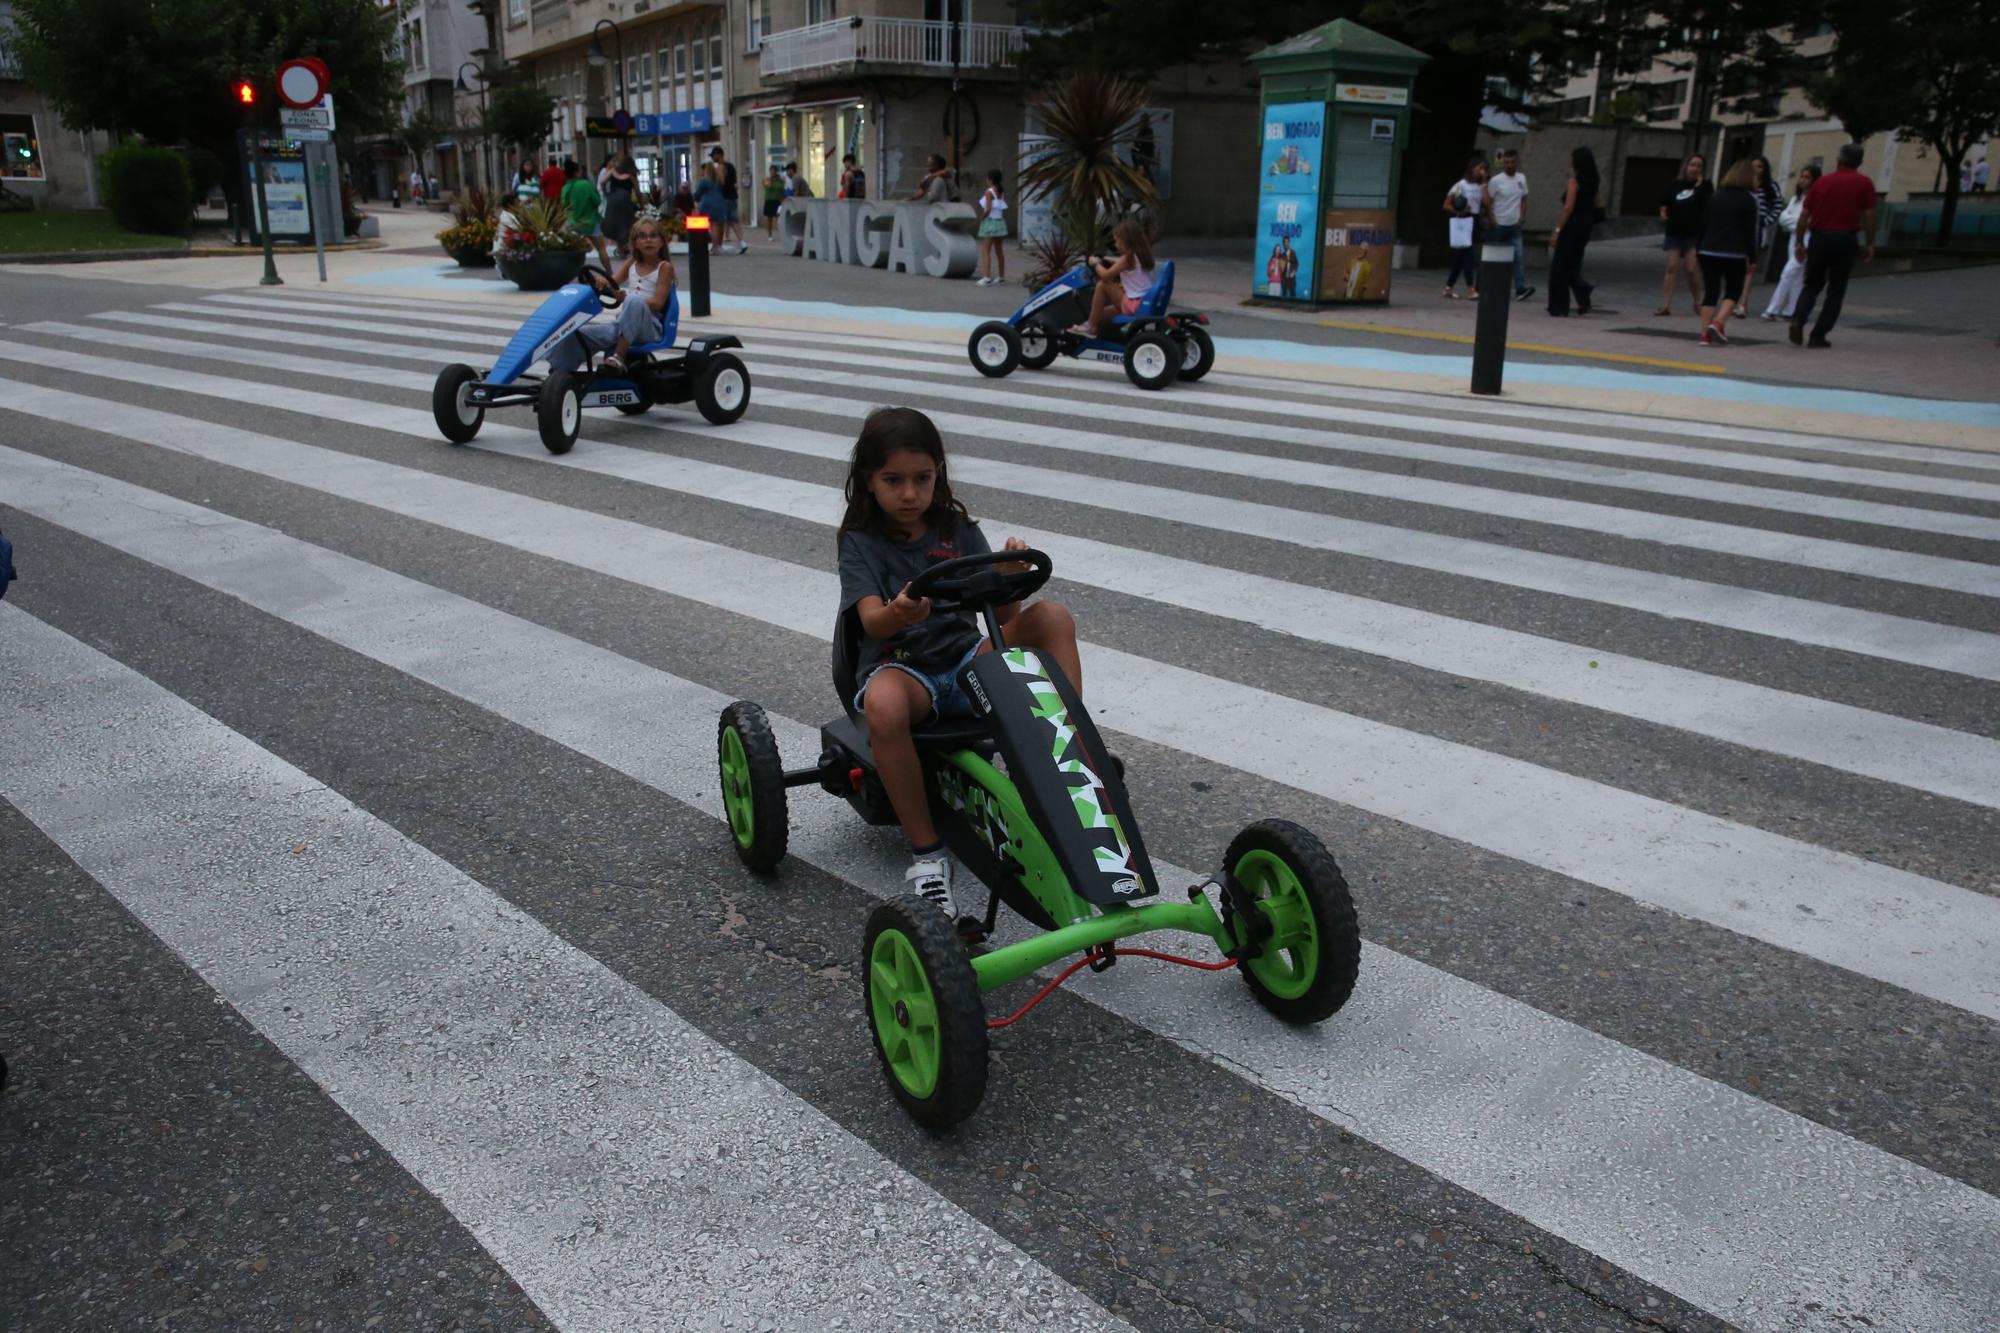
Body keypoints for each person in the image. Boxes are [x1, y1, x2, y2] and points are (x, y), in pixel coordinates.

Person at [836, 406, 1082, 916]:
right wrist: (899, 612)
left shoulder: (957, 529)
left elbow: (1001, 613)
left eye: (922, 479)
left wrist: (1011, 570)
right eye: (893, 480)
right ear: (868, 480)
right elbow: (871, 622)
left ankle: (1067, 756)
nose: (909, 494)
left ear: (938, 475)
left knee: (1052, 617)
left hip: (967, 657)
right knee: (882, 706)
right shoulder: (860, 544)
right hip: (906, 668)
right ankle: (927, 856)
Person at [546, 216, 676, 376]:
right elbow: (612, 281)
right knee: (576, 333)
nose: (648, 240)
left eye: (653, 235)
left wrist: (627, 298)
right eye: (642, 236)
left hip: (649, 327)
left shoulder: (664, 267)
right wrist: (600, 281)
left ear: (662, 241)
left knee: (634, 300)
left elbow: (658, 303)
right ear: (635, 243)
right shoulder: (632, 262)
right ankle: (558, 376)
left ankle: (618, 356)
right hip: (622, 324)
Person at [1790, 142, 1878, 349]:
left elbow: (1804, 215)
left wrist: (1800, 241)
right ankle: (1818, 335)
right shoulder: (1864, 183)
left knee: (1812, 284)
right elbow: (1869, 215)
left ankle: (1798, 318)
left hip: (1819, 238)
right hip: (1845, 238)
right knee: (1836, 288)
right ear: (1860, 162)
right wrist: (1870, 242)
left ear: (1838, 160)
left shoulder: (1821, 183)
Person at [1693, 159, 1761, 346]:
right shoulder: (1748, 201)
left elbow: (1703, 224)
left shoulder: (1715, 196)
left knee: (1711, 292)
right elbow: (1750, 231)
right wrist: (1753, 256)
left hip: (1708, 249)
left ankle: (1703, 335)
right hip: (1734, 252)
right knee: (1734, 289)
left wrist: (1698, 248)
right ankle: (1718, 322)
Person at [1073, 218, 1155, 336]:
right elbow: (1125, 267)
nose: (1116, 245)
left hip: (1133, 304)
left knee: (1103, 285)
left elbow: (1106, 276)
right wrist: (1110, 261)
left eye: (1117, 241)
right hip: (1142, 302)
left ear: (1125, 241)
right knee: (1099, 315)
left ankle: (1090, 326)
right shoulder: (1141, 255)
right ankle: (1101, 331)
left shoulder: (1128, 258)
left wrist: (1095, 263)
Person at [1761, 164, 1821, 321]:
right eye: (1802, 176)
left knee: (1789, 271)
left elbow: (1810, 221)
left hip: (1807, 238)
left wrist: (1797, 222)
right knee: (1796, 276)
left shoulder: (1816, 200)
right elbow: (1783, 219)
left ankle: (1772, 309)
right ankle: (1791, 310)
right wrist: (1799, 221)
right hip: (1794, 237)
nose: (1803, 180)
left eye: (1807, 177)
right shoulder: (1796, 199)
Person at [1546, 146, 1599, 316]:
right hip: (1586, 225)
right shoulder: (1594, 182)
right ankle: (1583, 297)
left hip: (1572, 225)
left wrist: (1557, 230)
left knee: (1560, 267)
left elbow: (1568, 208)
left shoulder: (1573, 182)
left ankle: (1559, 305)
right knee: (1573, 265)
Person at [1657, 154, 1710, 315]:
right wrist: (1663, 211)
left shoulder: (1706, 186)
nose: (1695, 168)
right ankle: (1666, 304)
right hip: (1675, 230)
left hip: (1694, 232)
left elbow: (1707, 204)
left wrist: (1699, 185)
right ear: (1686, 166)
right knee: (1672, 267)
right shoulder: (1676, 185)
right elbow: (1664, 201)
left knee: (1691, 268)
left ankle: (1698, 301)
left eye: (1699, 165)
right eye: (1692, 165)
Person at [1485, 147, 1533, 301]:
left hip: (1514, 225)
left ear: (1517, 162)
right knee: (1492, 257)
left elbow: (1524, 199)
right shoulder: (1496, 180)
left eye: (1512, 162)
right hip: (1499, 224)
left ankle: (1520, 288)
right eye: (1506, 162)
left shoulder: (1521, 178)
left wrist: (1522, 217)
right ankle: (1483, 286)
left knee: (1518, 258)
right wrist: (1492, 219)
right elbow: (1488, 202)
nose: (1509, 165)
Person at [1442, 156, 1486, 299]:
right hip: (1463, 219)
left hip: (1475, 219)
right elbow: (1446, 204)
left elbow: (1485, 202)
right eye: (1479, 168)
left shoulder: (1482, 186)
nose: (1481, 171)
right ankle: (1470, 288)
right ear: (1472, 169)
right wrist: (1458, 211)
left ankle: (1449, 286)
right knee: (1468, 254)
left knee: (1461, 257)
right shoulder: (1461, 185)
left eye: (1483, 168)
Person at [1741, 156, 1782, 311]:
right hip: (1741, 229)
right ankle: (1735, 298)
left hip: (1757, 229)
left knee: (1750, 266)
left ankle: (1743, 302)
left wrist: (1766, 221)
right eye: (1753, 166)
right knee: (1739, 266)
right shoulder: (1744, 185)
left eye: (1759, 166)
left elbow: (1778, 205)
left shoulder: (1770, 186)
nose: (1756, 170)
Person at [559, 159, 611, 269]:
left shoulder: (565, 188)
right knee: (601, 248)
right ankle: (610, 272)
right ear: (576, 172)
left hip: (574, 223)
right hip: (591, 221)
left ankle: (577, 272)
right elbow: (597, 200)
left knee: (576, 251)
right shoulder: (585, 184)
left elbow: (564, 205)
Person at [709, 145, 746, 255]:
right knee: (734, 220)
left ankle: (718, 245)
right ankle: (742, 242)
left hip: (724, 197)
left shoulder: (720, 167)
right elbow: (734, 181)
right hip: (733, 196)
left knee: (720, 222)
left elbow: (722, 182)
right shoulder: (731, 166)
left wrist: (715, 182)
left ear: (719, 155)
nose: (712, 158)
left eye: (713, 155)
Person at [975, 169, 1009, 285]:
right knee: (999, 251)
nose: (986, 180)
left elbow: (988, 209)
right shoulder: (1001, 191)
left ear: (990, 180)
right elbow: (1002, 208)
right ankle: (1001, 277)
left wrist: (982, 217)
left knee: (986, 251)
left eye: (987, 178)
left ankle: (987, 277)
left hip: (990, 222)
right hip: (999, 222)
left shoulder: (989, 192)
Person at [601, 153, 639, 256]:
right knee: (626, 223)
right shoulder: (631, 176)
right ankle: (627, 248)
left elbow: (602, 182)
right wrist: (642, 204)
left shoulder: (613, 172)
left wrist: (606, 194)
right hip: (625, 200)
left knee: (616, 224)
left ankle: (621, 250)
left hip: (613, 199)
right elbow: (637, 191)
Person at [761, 164, 785, 239]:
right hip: (769, 201)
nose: (773, 172)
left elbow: (782, 189)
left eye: (774, 171)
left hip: (777, 201)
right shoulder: (766, 179)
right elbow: (768, 186)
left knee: (779, 218)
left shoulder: (780, 180)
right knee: (769, 219)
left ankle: (782, 233)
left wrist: (781, 181)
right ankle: (770, 235)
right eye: (772, 171)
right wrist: (771, 179)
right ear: (769, 171)